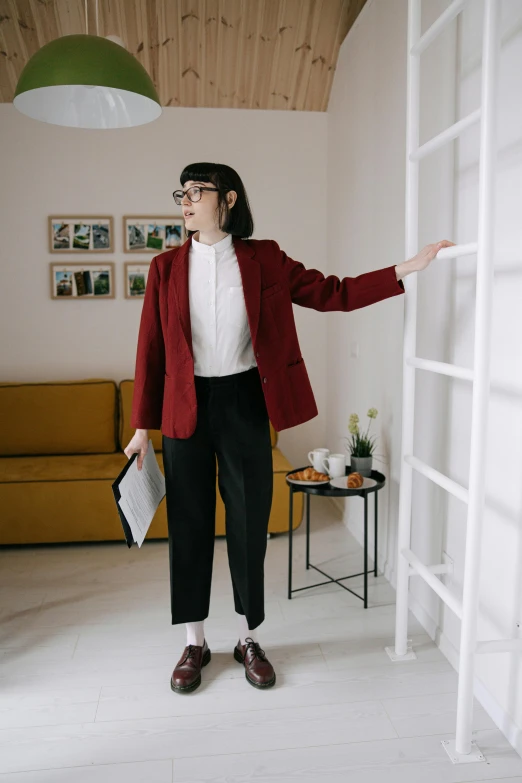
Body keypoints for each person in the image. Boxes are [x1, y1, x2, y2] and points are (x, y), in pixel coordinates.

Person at [124, 161, 455, 694]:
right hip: (184, 408)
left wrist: (403, 269)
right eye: (180, 193)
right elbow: (150, 350)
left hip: (245, 402)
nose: (185, 202)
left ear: (226, 199)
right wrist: (142, 427)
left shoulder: (265, 258)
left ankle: (247, 637)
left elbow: (332, 292)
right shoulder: (165, 268)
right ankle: (194, 640)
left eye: (196, 192)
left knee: (251, 523)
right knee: (188, 525)